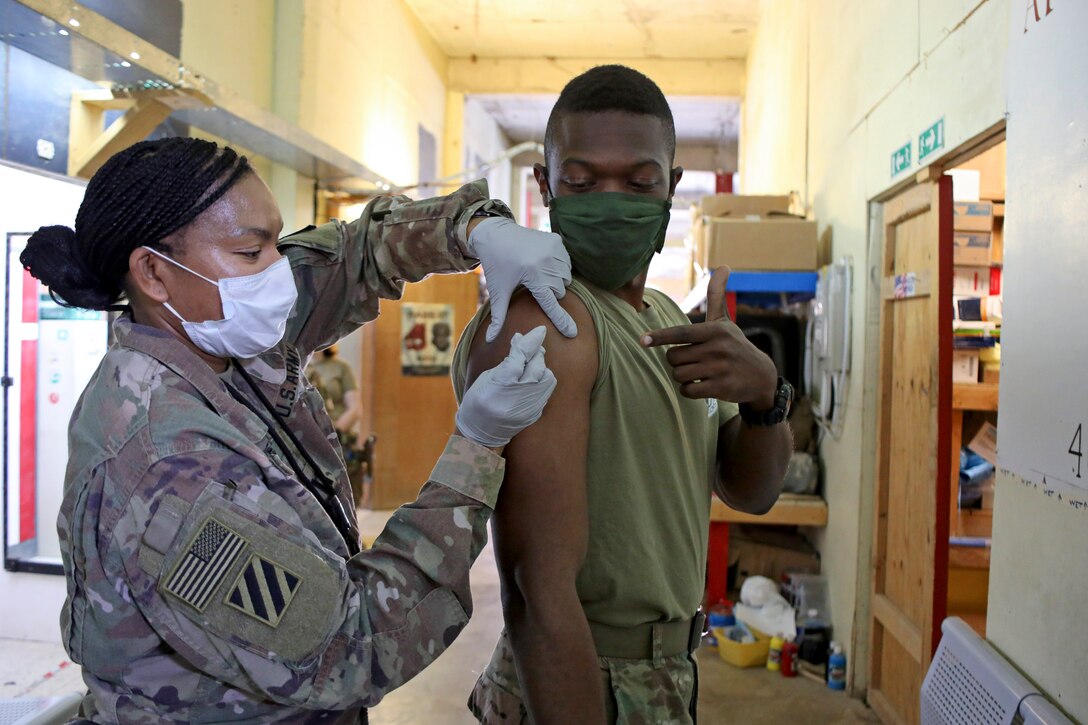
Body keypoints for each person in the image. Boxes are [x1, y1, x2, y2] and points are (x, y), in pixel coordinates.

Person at [20, 137, 570, 723]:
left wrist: (474, 229)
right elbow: (348, 646)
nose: (278, 275)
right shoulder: (168, 470)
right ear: (154, 273)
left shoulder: (217, 328)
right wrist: (476, 449)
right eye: (252, 252)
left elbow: (361, 252)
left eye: (275, 244)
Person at [452, 65, 794, 724]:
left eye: (638, 182)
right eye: (582, 181)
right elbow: (535, 586)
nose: (611, 199)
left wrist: (766, 395)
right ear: (546, 185)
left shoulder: (665, 316)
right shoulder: (546, 321)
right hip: (580, 678)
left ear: (672, 186)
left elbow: (750, 489)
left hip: (665, 674)